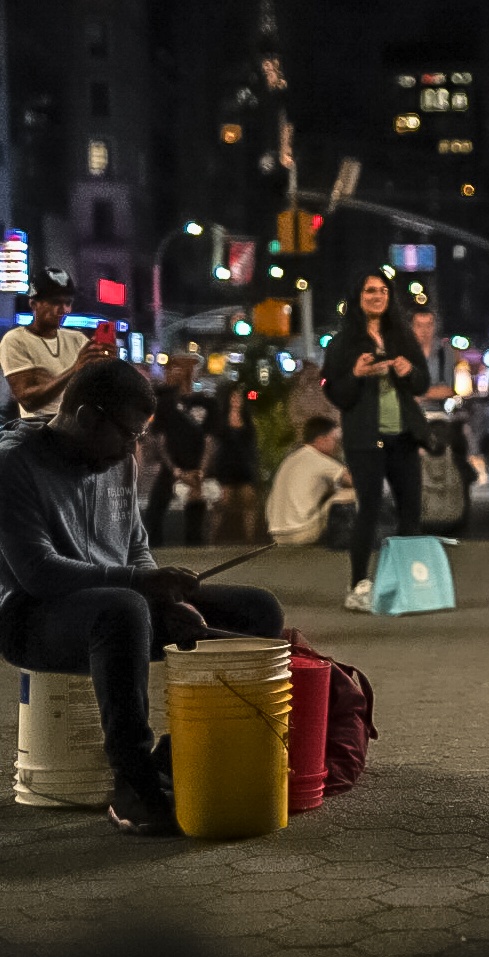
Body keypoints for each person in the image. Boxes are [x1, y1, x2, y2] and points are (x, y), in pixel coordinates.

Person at [0, 360, 283, 835]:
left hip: (122, 607)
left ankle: (175, 759)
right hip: (32, 618)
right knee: (124, 609)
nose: (134, 448)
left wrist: (165, 599)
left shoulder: (118, 461)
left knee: (258, 610)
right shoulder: (14, 463)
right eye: (127, 434)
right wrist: (141, 587)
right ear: (88, 417)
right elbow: (38, 574)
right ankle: (132, 784)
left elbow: (135, 547)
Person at [321, 268, 431, 612]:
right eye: (370, 291)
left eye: (382, 291)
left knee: (410, 511)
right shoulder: (343, 342)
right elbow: (336, 393)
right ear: (358, 298)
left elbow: (423, 383)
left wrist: (407, 370)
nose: (377, 296)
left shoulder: (401, 336)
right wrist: (356, 374)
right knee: (368, 509)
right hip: (366, 438)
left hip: (403, 435)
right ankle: (358, 585)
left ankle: (407, 581)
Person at [0, 267, 110, 420]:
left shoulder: (78, 339)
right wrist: (75, 369)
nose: (64, 309)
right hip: (41, 428)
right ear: (34, 304)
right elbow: (29, 402)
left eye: (68, 303)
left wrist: (109, 364)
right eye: (55, 302)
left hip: (80, 427)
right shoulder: (15, 340)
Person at [143, 355, 213, 547]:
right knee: (154, 513)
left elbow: (210, 440)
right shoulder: (165, 401)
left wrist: (200, 471)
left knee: (195, 515)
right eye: (176, 367)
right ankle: (156, 556)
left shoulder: (206, 402)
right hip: (172, 468)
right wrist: (176, 471)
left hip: (197, 468)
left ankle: (195, 554)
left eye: (186, 368)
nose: (181, 372)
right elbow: (160, 440)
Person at [265, 415, 354, 545]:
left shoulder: (291, 458)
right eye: (334, 440)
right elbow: (355, 482)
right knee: (353, 493)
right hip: (301, 533)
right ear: (321, 440)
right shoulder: (319, 459)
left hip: (277, 534)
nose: (337, 445)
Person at [206, 383, 261, 544]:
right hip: (226, 465)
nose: (237, 400)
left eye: (239, 397)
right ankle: (212, 538)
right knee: (223, 501)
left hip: (244, 464)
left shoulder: (247, 420)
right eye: (234, 397)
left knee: (248, 501)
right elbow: (213, 443)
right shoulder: (221, 419)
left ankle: (249, 538)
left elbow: (252, 444)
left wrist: (254, 464)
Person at [286, 359, 339, 442]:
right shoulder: (322, 390)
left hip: (314, 439)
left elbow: (295, 419)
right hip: (325, 437)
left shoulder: (296, 393)